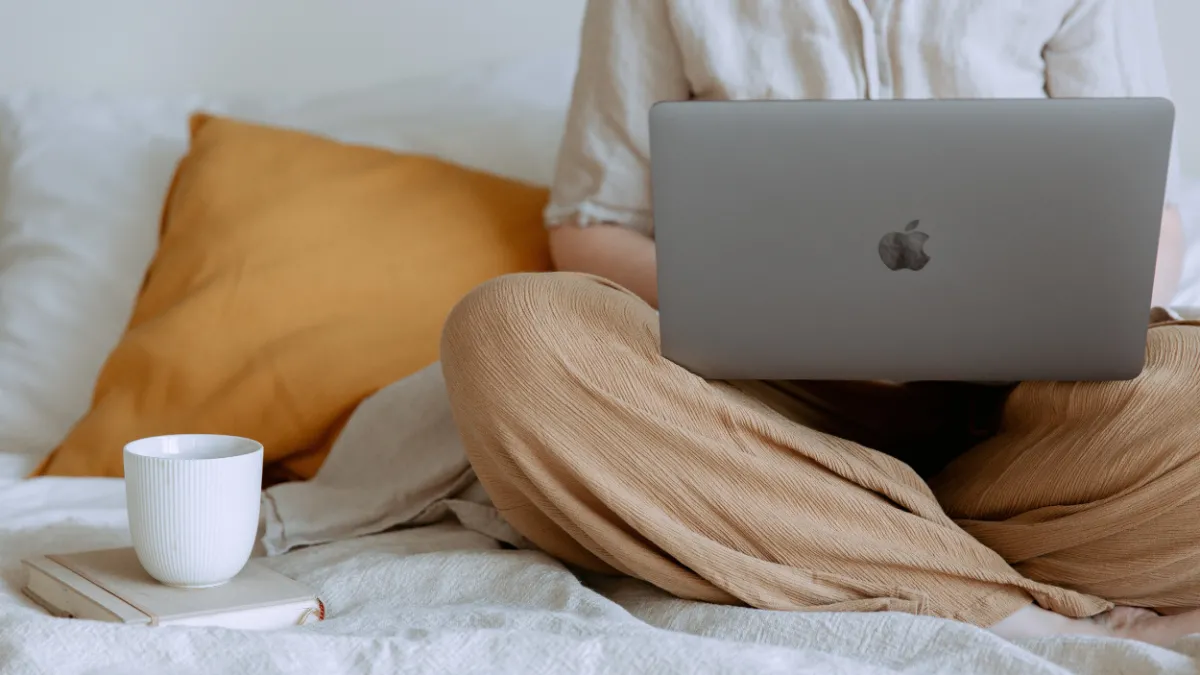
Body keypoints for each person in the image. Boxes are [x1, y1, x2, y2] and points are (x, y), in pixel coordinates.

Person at [441, 0, 1200, 645]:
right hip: (758, 410)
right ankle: (999, 600)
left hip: (1029, 423)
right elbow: (594, 224)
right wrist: (758, 305)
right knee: (511, 330)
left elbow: (1147, 217)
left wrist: (1071, 322)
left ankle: (814, 535)